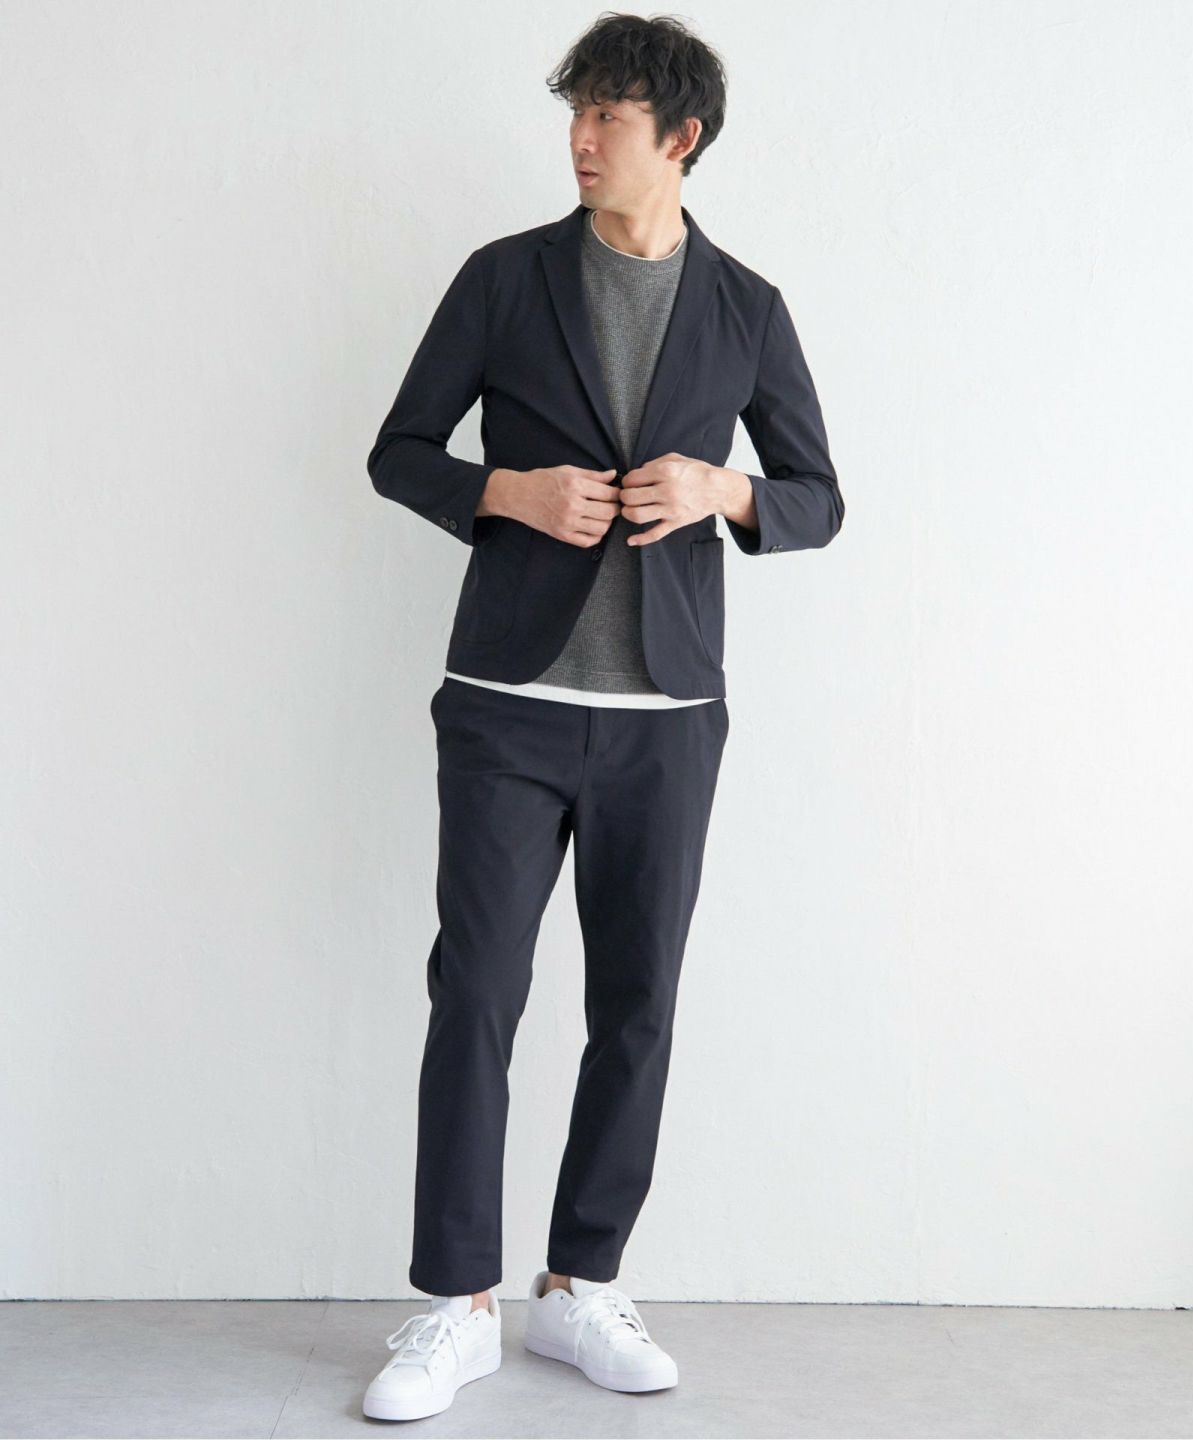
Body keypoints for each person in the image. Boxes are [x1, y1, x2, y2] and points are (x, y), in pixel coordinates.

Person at [361, 12, 844, 1422]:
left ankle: (581, 1286)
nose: (579, 138)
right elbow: (398, 451)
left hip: (667, 717)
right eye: (574, 113)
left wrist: (724, 491)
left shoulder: (747, 308)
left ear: (679, 138)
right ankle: (457, 1304)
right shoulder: (504, 278)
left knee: (637, 1006)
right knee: (477, 994)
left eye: (608, 116)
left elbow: (819, 497)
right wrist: (502, 492)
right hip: (506, 706)